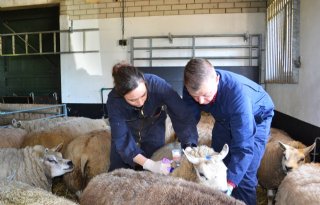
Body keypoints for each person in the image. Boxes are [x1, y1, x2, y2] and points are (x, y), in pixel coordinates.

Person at [183, 58, 274, 205]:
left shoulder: (238, 96)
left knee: (244, 177)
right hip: (224, 118)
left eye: (206, 95)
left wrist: (230, 183)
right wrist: (188, 144)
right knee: (218, 161)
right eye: (195, 96)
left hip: (257, 117)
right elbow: (188, 118)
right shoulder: (192, 86)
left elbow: (244, 147)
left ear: (217, 80)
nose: (200, 101)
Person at [106, 62, 198, 175]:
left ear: (145, 83)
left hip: (154, 126)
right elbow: (121, 138)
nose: (140, 102)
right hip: (128, 130)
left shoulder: (157, 84)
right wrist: (150, 164)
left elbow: (182, 114)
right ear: (121, 95)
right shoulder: (114, 100)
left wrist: (188, 145)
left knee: (155, 163)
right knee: (118, 171)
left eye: (143, 95)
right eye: (132, 100)